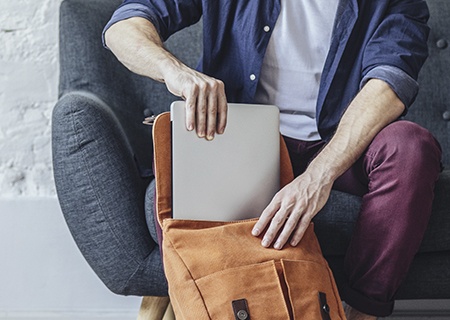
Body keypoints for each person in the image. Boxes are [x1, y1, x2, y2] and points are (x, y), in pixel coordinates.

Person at [103, 0, 442, 319]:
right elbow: (124, 26)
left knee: (412, 146)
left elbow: (388, 85)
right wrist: (174, 71)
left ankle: (359, 313)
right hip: (241, 139)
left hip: (341, 146)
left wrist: (317, 179)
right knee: (178, 185)